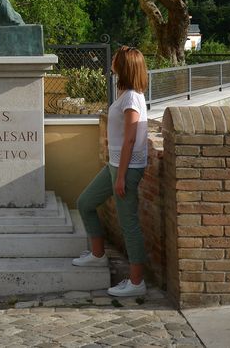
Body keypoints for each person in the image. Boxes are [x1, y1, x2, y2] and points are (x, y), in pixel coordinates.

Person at [72, 46, 149, 297]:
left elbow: (130, 139)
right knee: (85, 202)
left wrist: (122, 176)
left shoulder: (132, 99)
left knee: (129, 224)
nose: (112, 60)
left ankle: (136, 283)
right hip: (115, 165)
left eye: (116, 57)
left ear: (125, 65)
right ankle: (97, 254)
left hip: (126, 168)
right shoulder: (124, 93)